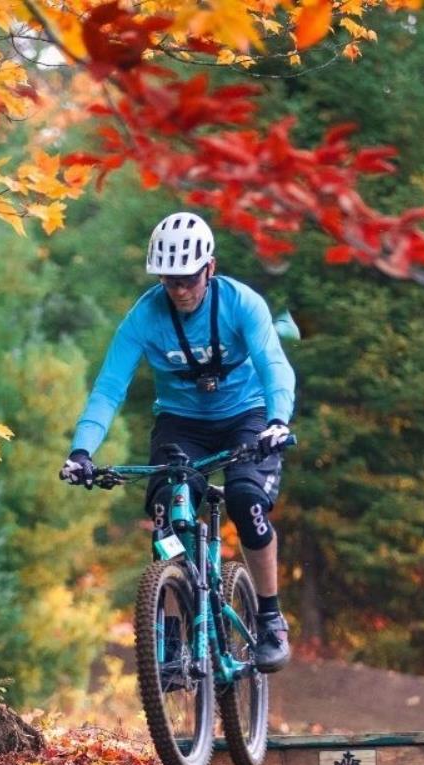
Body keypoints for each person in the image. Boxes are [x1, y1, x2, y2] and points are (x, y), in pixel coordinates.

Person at [60, 211, 295, 673]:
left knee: (247, 498)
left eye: (188, 279)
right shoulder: (143, 319)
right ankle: (169, 637)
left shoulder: (241, 304)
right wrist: (81, 450)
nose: (181, 290)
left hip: (245, 416)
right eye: (170, 281)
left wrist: (277, 421)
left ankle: (270, 618)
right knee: (166, 510)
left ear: (210, 267)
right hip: (181, 423)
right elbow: (109, 388)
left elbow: (274, 365)